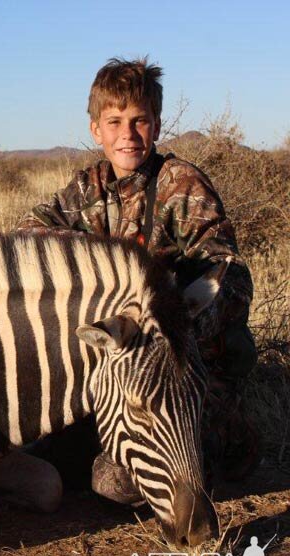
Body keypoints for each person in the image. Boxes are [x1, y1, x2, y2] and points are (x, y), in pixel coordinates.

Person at [17, 57, 259, 500]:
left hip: (179, 380)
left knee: (115, 482)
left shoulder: (180, 183)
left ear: (157, 124)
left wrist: (171, 317)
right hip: (116, 379)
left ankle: (221, 445)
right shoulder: (88, 188)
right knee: (35, 448)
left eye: (139, 121)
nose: (127, 135)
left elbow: (232, 277)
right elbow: (25, 235)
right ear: (96, 130)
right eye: (115, 122)